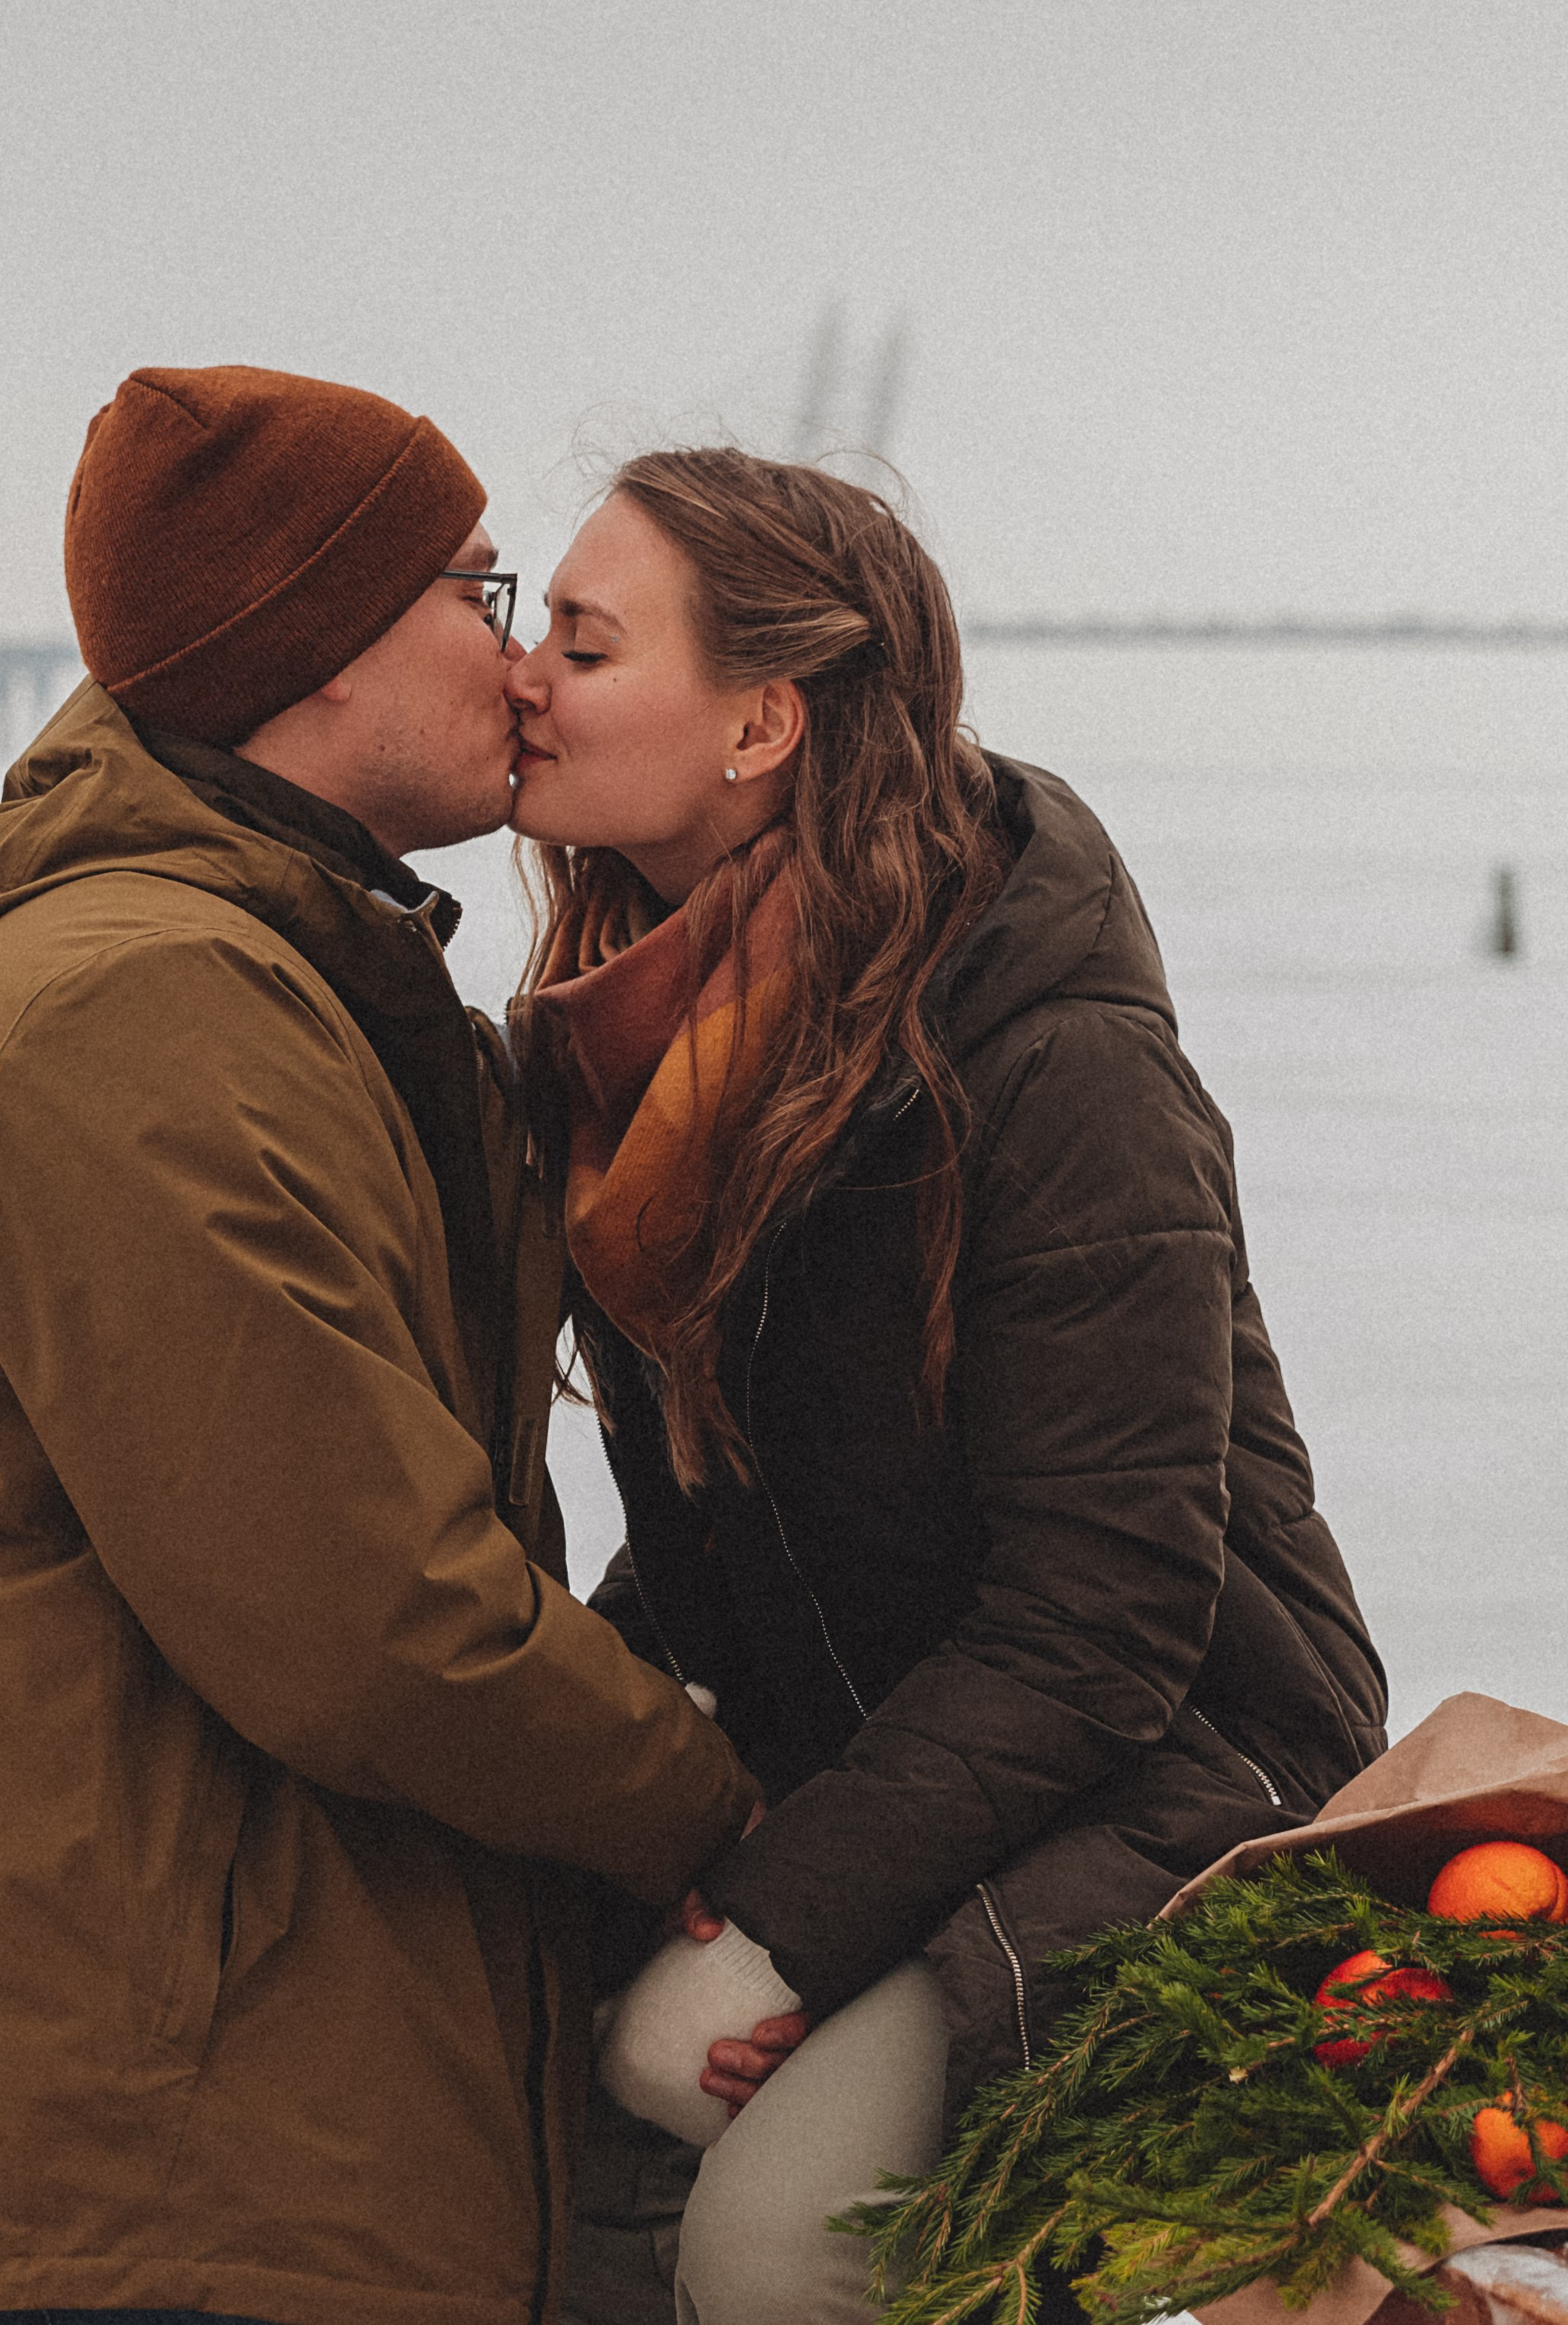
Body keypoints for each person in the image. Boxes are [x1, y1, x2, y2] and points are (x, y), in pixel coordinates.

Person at [503, 448, 1389, 2325]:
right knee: (547, 2228)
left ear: (758, 721)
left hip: (1181, 1776)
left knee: (780, 2252)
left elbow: (1107, 1608)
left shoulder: (1042, 1056)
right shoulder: (642, 1056)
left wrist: (768, 1930)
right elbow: (722, 1535)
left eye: (581, 642)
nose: (524, 679)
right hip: (901, 1780)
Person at [0, 369, 758, 2325]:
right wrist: (716, 1808)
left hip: (282, 2108)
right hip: (183, 2147)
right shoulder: (142, 1012)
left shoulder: (290, 976)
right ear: (317, 652)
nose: (521, 671)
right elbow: (363, 1604)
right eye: (478, 598)